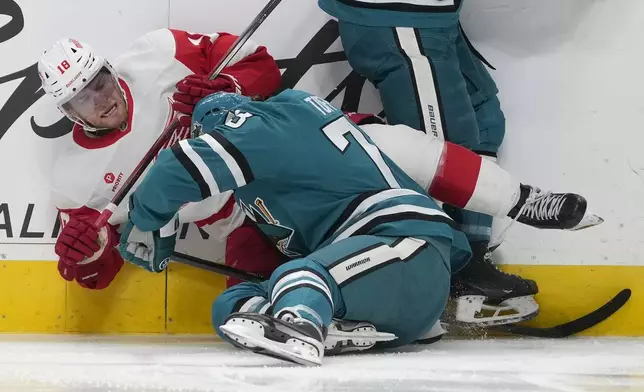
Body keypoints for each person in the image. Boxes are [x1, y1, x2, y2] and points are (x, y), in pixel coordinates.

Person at [117, 90, 602, 366]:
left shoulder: (261, 128)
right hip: (391, 286)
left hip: (410, 243)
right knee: (231, 306)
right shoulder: (294, 155)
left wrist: (144, 221)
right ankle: (333, 323)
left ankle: (303, 322)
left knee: (297, 279)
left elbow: (178, 169)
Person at [318, 0, 542, 315]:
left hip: (430, 18)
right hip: (398, 16)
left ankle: (469, 261)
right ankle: (438, 275)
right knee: (441, 150)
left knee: (483, 120)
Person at [37, 30, 281, 290]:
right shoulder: (72, 183)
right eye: (83, 100)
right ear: (70, 113)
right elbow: (96, 277)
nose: (101, 101)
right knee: (248, 311)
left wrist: (228, 90)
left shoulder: (159, 52)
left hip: (273, 169)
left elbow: (260, 63)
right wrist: (86, 255)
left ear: (110, 70)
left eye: (100, 84)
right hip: (239, 221)